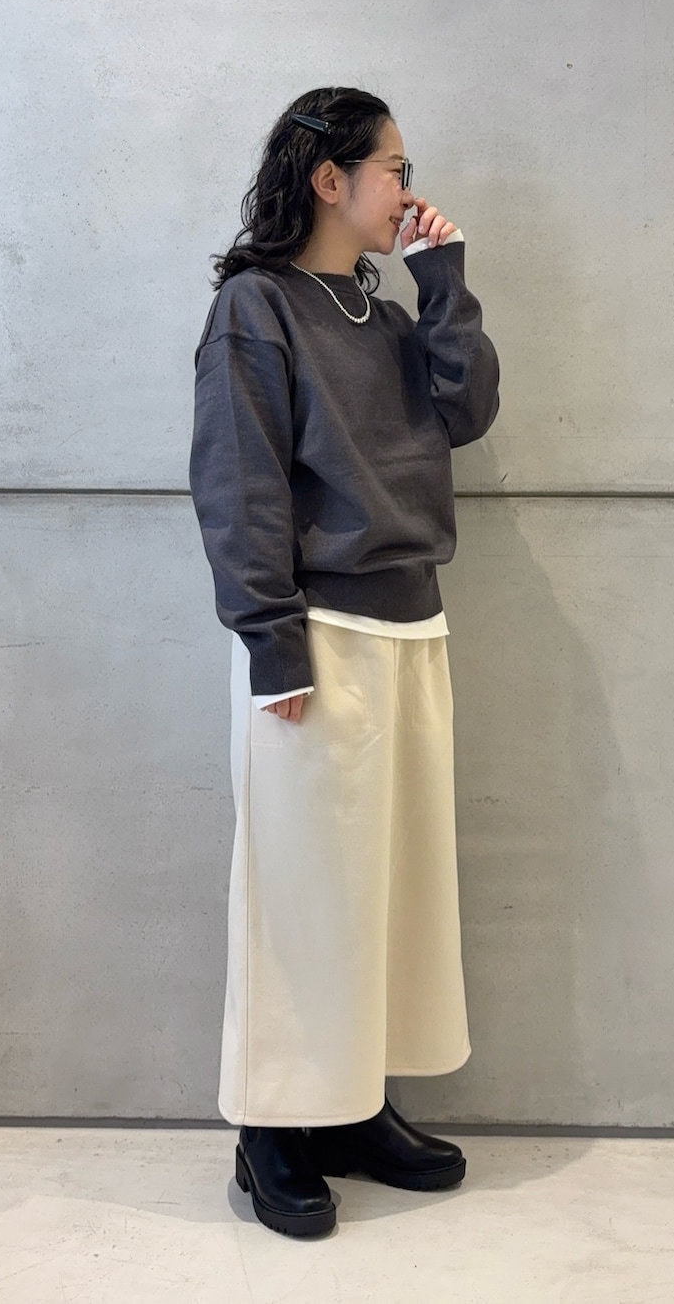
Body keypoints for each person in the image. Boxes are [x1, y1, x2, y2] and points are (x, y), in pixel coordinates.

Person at [189, 86, 500, 1237]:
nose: (408, 189)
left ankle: (353, 1104)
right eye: (393, 168)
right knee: (299, 892)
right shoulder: (255, 307)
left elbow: (467, 410)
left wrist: (443, 277)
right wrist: (271, 642)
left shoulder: (383, 312)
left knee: (386, 888)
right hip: (315, 639)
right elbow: (239, 482)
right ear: (331, 179)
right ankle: (270, 1130)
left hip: (412, 629)